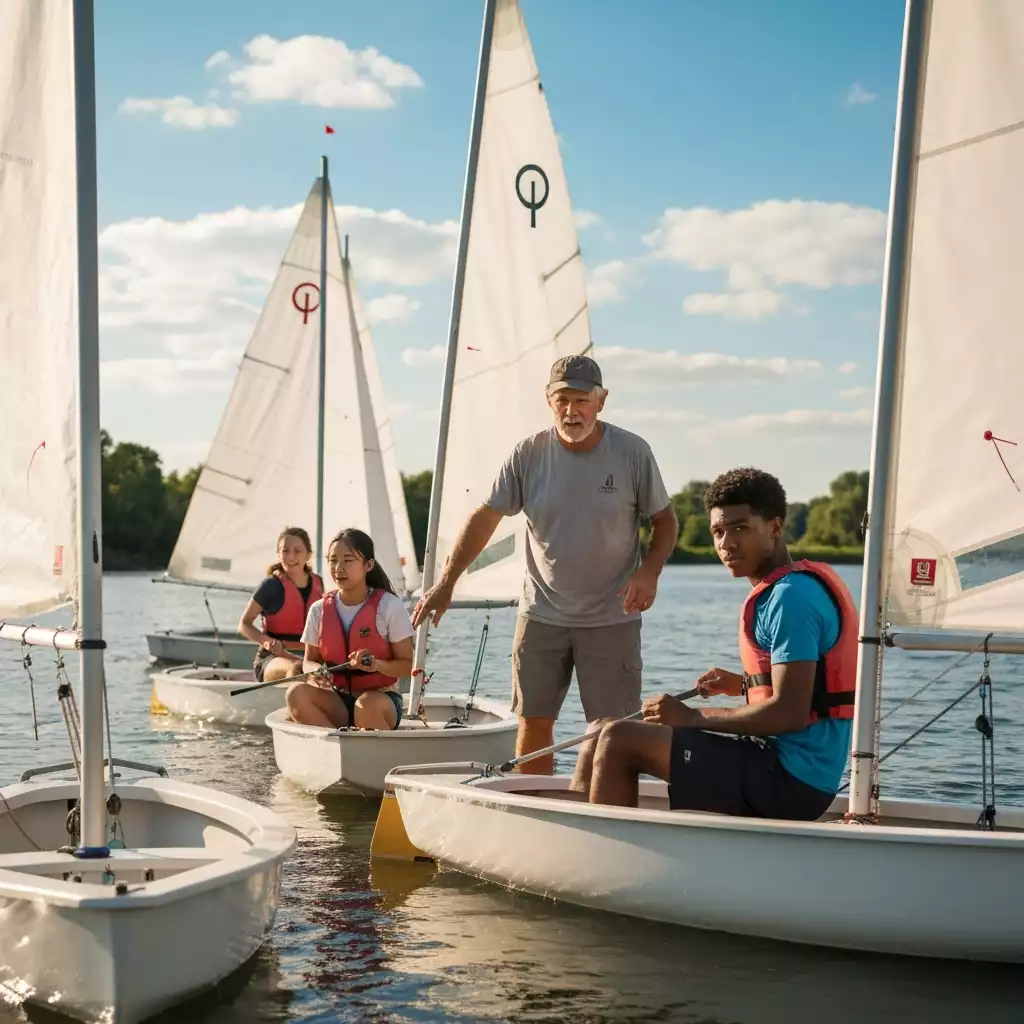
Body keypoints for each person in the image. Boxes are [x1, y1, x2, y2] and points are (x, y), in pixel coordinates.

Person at [412, 354, 678, 772]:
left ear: (601, 401)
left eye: (582, 400)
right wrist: (446, 583)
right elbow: (485, 518)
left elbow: (665, 521)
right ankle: (537, 808)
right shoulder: (527, 454)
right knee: (534, 722)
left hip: (613, 616)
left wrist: (650, 571)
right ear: (548, 400)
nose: (572, 411)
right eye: (562, 400)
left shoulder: (632, 452)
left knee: (610, 729)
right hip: (541, 614)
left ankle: (603, 813)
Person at [571, 467, 856, 821]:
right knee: (599, 729)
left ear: (775, 527)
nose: (727, 544)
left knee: (619, 739)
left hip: (791, 781)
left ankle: (607, 864)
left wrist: (691, 718)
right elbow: (807, 689)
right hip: (776, 763)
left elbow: (790, 713)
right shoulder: (785, 590)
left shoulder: (790, 598)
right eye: (718, 532)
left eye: (740, 528)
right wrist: (743, 685)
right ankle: (575, 841)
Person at [287, 528, 414, 730]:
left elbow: (408, 665)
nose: (338, 568)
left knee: (366, 705)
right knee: (295, 694)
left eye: (347, 560)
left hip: (380, 700)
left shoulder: (389, 606)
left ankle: (363, 751)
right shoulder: (318, 609)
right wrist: (315, 671)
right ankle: (335, 748)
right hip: (338, 698)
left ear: (368, 565)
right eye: (333, 560)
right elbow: (309, 660)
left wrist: (377, 665)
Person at [238, 526, 324, 685]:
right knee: (297, 670)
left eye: (297, 551)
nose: (291, 556)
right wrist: (265, 641)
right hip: (272, 658)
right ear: (278, 554)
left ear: (308, 555)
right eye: (285, 551)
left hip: (308, 657)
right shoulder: (271, 585)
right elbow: (244, 624)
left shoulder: (319, 584)